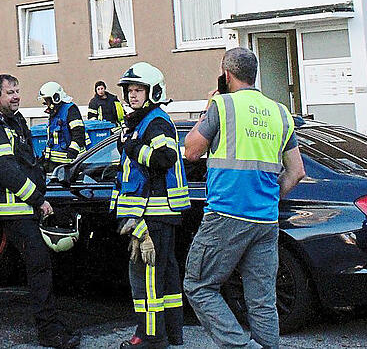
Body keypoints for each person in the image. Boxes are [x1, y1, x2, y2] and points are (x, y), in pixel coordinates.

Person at [183, 48, 305, 349]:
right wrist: (269, 198)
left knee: (198, 285)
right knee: (262, 300)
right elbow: (297, 172)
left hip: (226, 214)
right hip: (265, 219)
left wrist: (208, 107)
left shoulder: (222, 106)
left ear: (226, 75)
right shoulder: (279, 112)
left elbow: (192, 150)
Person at [0, 74, 80, 349]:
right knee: (39, 265)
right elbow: (5, 170)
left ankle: (52, 323)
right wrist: (37, 199)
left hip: (23, 206)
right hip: (11, 209)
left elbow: (27, 161)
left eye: (18, 90)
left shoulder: (15, 121)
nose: (16, 96)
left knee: (41, 266)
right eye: (10, 92)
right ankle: (49, 332)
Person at [112, 63, 190, 349]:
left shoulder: (155, 121)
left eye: (138, 90)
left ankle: (149, 338)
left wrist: (132, 147)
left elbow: (164, 158)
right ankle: (169, 333)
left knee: (146, 279)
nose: (132, 96)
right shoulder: (142, 121)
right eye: (129, 90)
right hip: (157, 214)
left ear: (153, 91)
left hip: (152, 215)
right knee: (164, 277)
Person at [38, 81, 90, 169]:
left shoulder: (70, 110)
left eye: (47, 99)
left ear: (55, 97)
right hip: (56, 163)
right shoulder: (55, 112)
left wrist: (72, 153)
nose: (46, 103)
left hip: (70, 163)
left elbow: (78, 133)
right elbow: (53, 138)